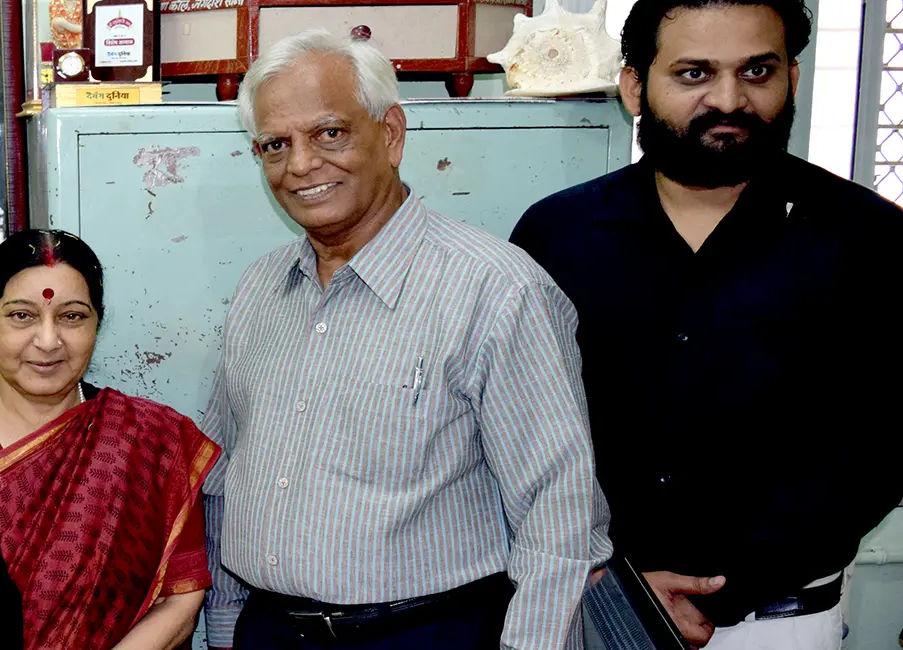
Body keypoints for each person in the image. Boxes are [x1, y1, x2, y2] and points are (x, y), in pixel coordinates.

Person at [510, 0, 903, 646]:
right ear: (634, 87)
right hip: (594, 605)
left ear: (792, 77)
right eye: (693, 74)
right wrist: (616, 577)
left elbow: (874, 450)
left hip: (781, 622)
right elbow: (524, 429)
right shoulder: (555, 235)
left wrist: (730, 590)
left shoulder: (871, 240)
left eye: (758, 71)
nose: (730, 99)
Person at [202, 30, 613, 649]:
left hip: (428, 634)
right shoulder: (262, 289)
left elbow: (560, 518)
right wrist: (229, 627)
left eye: (329, 133)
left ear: (391, 134)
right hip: (271, 632)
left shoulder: (494, 289)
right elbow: (225, 474)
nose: (301, 165)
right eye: (275, 145)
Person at [0, 229, 218, 649]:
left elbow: (180, 600)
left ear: (98, 322)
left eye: (72, 316)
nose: (48, 341)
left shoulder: (150, 440)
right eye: (22, 315)